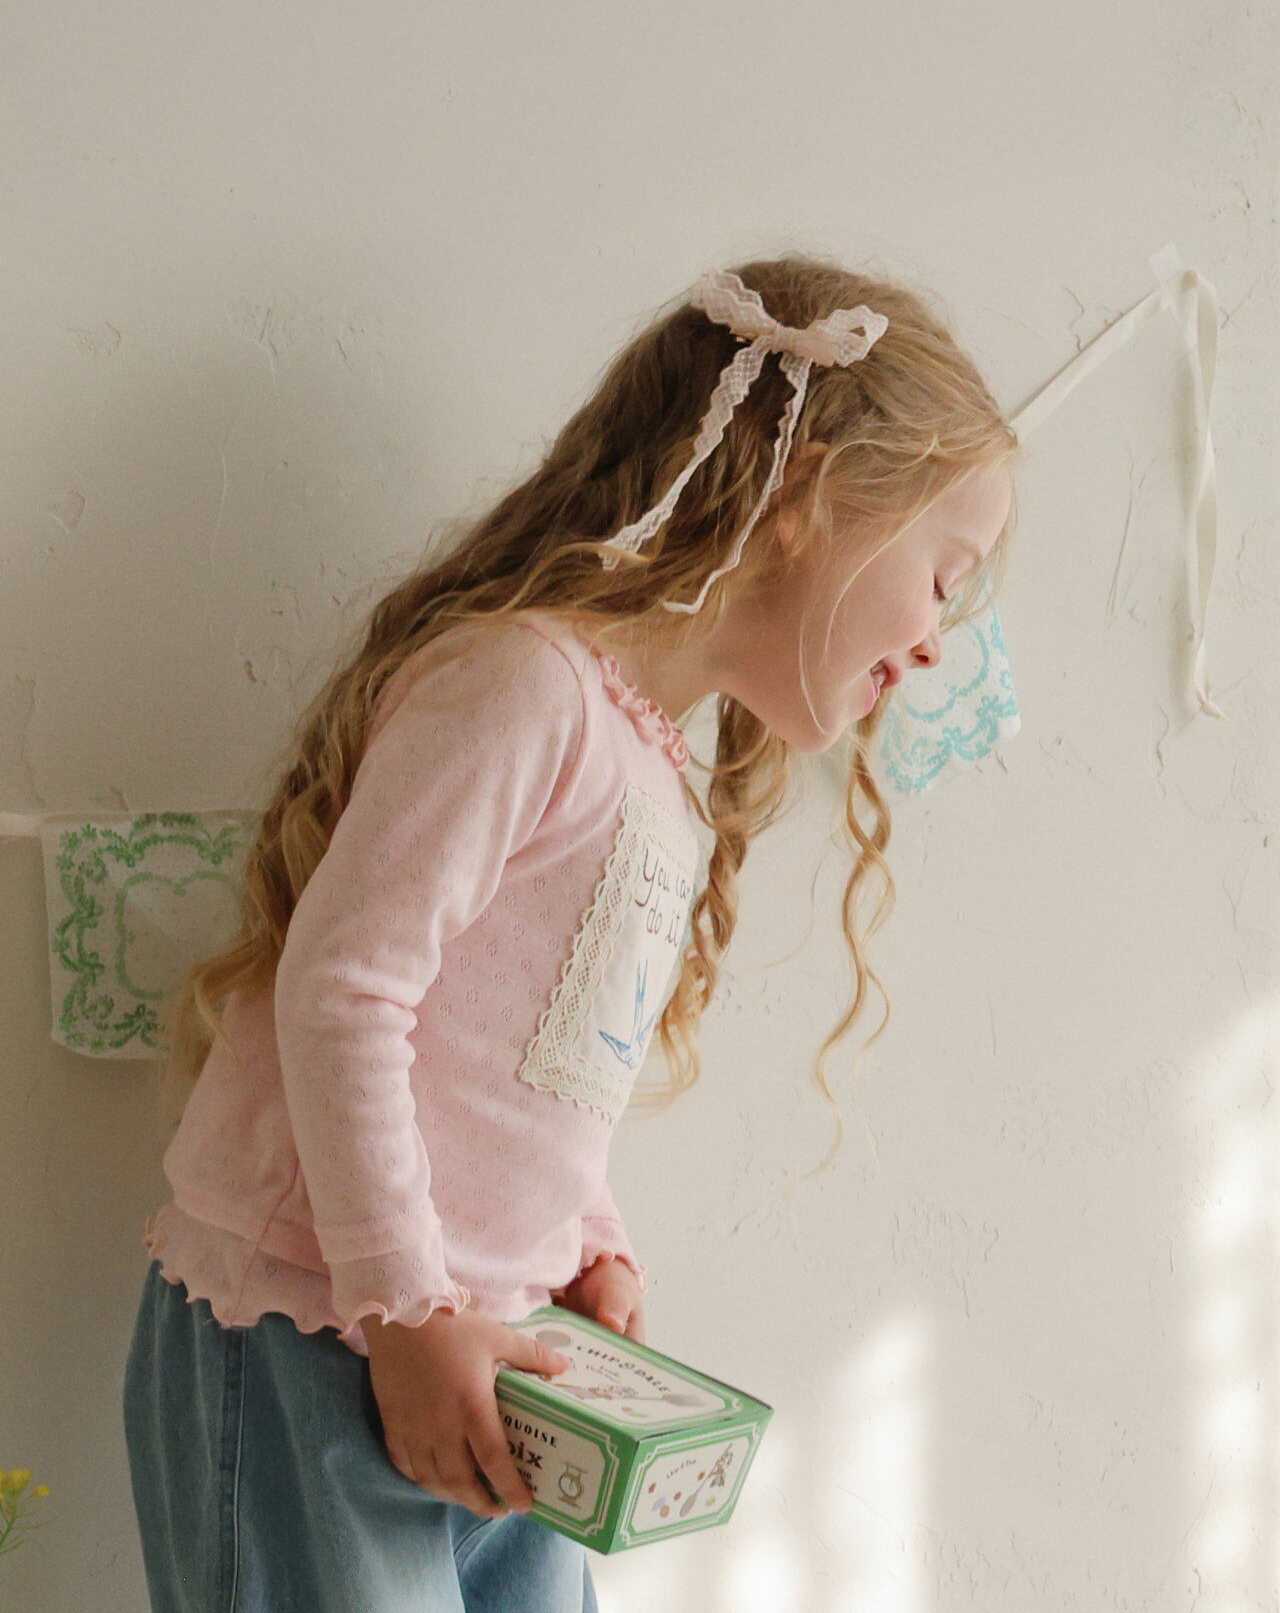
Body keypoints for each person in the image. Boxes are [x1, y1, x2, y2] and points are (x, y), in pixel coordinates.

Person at [122, 252, 1019, 1610]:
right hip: (317, 1324)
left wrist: (585, 1234)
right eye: (944, 577)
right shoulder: (522, 689)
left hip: (496, 1342)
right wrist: (409, 1310)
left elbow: (539, 1060)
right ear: (806, 502)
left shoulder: (657, 762)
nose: (942, 639)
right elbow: (346, 992)